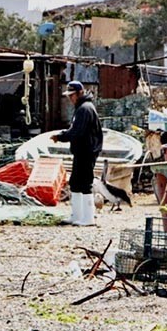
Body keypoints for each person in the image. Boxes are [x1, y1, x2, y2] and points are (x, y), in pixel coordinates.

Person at [51, 81, 103, 226]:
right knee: (75, 182)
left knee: (85, 183)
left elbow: (77, 132)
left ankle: (88, 218)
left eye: (72, 95)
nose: (70, 98)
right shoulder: (81, 108)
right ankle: (77, 216)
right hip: (81, 150)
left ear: (80, 93)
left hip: (87, 150)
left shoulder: (85, 109)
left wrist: (60, 136)